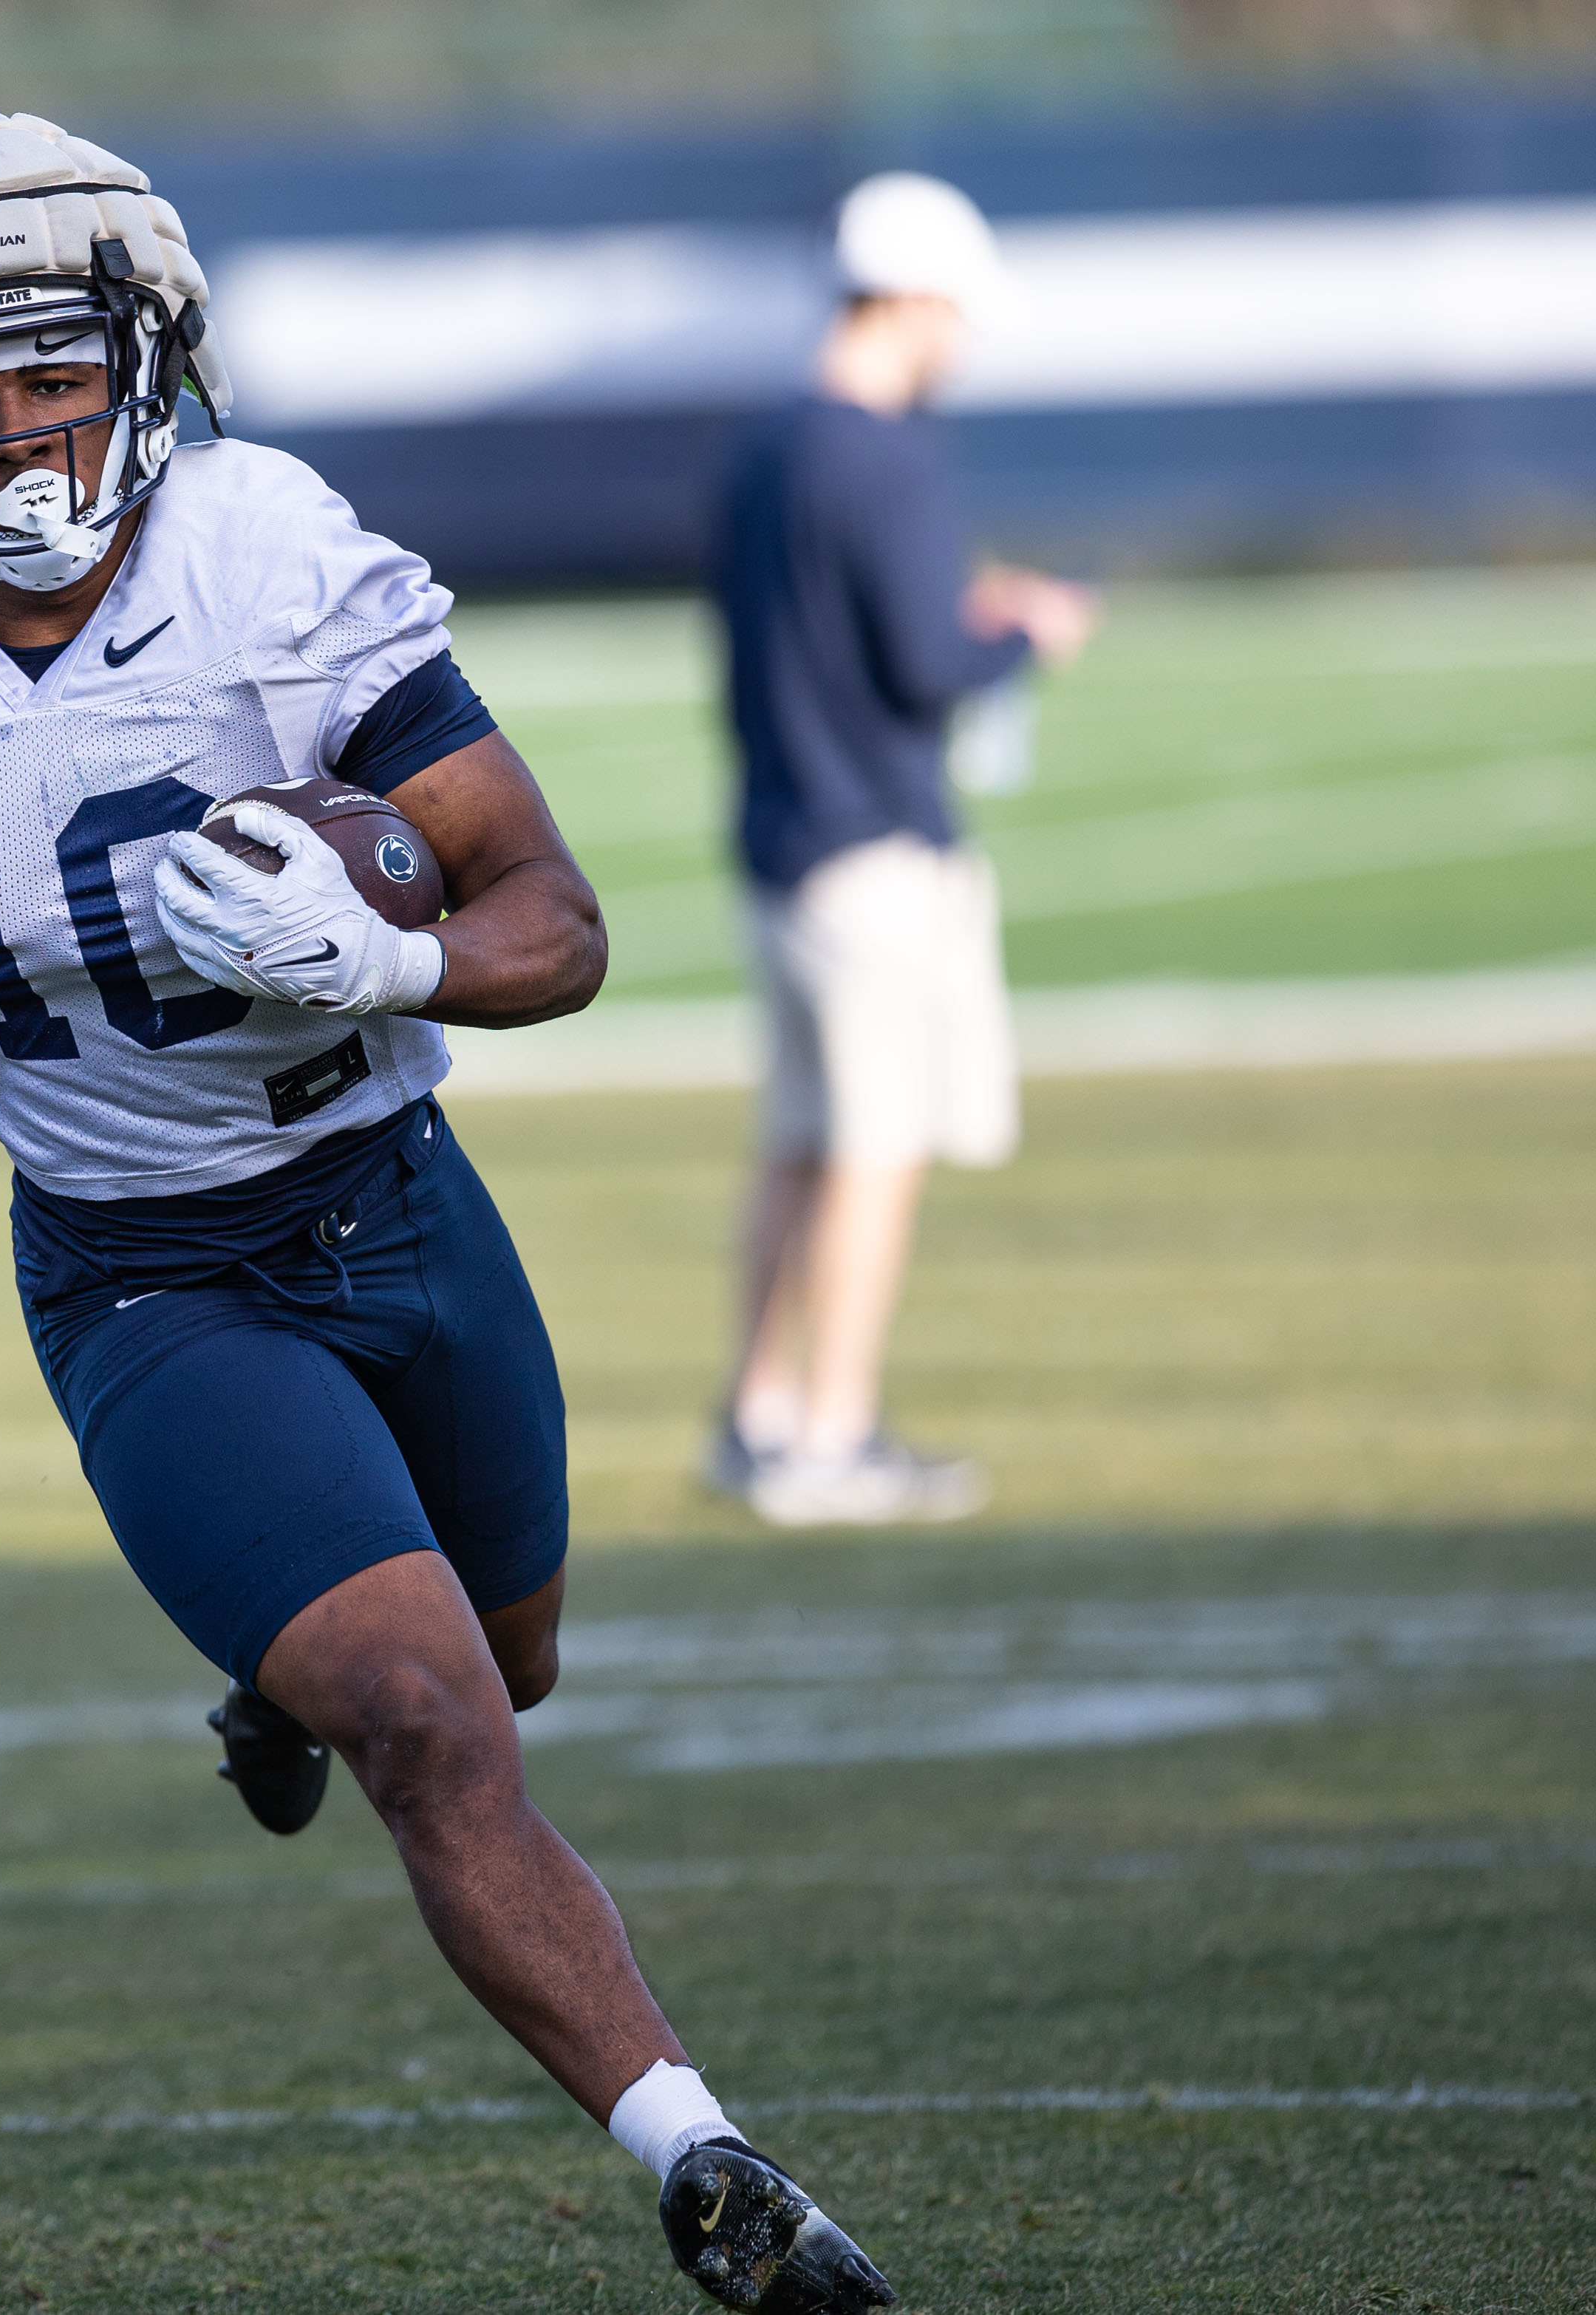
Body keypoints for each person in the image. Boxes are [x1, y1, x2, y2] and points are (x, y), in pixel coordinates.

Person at [0, 109, 897, 2315]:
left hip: (392, 1195)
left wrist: (391, 958)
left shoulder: (267, 559)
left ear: (147, 359)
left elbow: (552, 919)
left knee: (508, 1663)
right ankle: (705, 2161)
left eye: (52, 372)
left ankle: (271, 1677)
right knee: (430, 1719)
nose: (18, 430)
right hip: (140, 1267)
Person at [706, 171, 1100, 1531]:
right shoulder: (883, 455)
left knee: (801, 1142)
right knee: (875, 1149)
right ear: (915, 299)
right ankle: (831, 1433)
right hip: (870, 843)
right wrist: (1025, 631)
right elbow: (931, 662)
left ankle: (758, 1411)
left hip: (780, 837)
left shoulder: (768, 450)